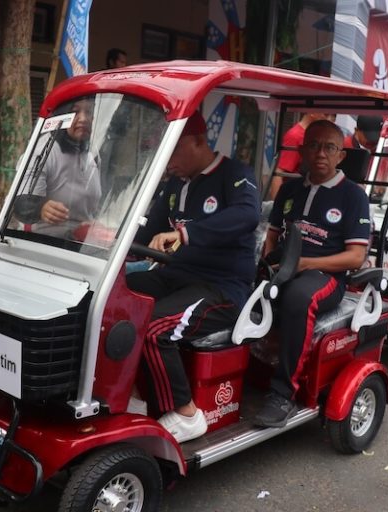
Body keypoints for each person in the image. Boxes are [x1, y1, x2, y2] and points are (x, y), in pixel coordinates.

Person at [127, 111, 260, 443]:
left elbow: (247, 215)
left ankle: (186, 414)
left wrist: (186, 234)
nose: (166, 161)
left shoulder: (235, 175)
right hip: (175, 276)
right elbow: (147, 231)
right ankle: (133, 394)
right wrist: (108, 237)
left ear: (199, 142)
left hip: (222, 287)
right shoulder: (175, 184)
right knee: (115, 300)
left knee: (156, 328)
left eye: (172, 150)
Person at [254, 119, 371, 428]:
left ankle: (283, 395)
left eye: (329, 147)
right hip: (284, 267)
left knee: (298, 298)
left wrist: (306, 264)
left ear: (341, 156)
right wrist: (267, 264)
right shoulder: (290, 189)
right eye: (314, 145)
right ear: (302, 150)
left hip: (325, 275)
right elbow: (272, 234)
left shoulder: (353, 196)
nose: (321, 153)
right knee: (242, 285)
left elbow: (357, 256)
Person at [15, 98, 100, 236]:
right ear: (62, 116)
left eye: (89, 112)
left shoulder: (91, 155)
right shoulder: (42, 152)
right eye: (75, 111)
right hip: (43, 243)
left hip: (83, 244)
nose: (84, 119)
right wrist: (41, 209)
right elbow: (21, 205)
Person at [269, 113, 336, 199]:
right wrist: (275, 204)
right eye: (325, 115)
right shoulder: (295, 136)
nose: (329, 119)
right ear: (312, 113)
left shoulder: (312, 135)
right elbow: (279, 172)